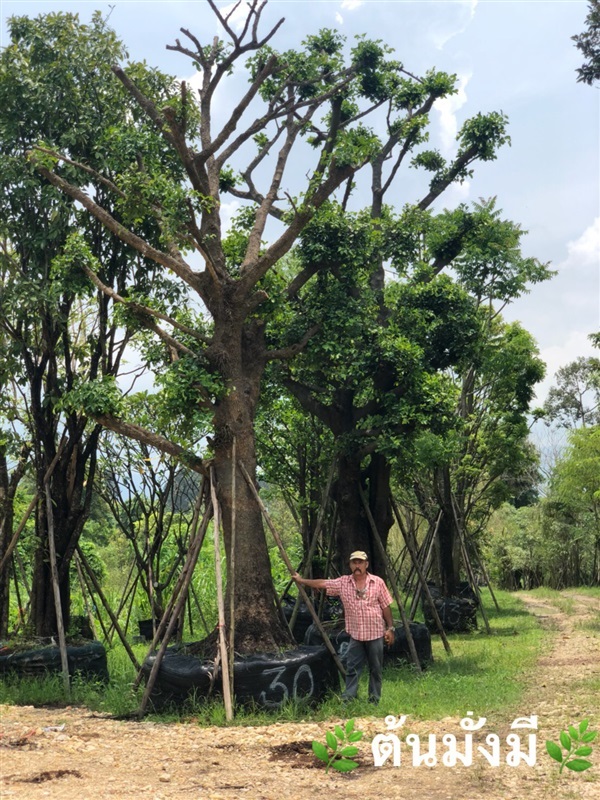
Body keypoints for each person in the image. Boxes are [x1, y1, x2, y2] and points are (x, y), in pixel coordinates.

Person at [293, 550, 395, 704]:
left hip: (375, 633)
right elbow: (322, 583)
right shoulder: (343, 583)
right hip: (356, 635)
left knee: (376, 669)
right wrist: (302, 581)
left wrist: (390, 628)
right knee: (352, 668)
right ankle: (348, 699)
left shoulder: (377, 582)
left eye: (360, 562)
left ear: (366, 565)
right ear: (350, 565)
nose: (357, 565)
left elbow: (386, 606)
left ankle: (374, 700)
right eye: (354, 562)